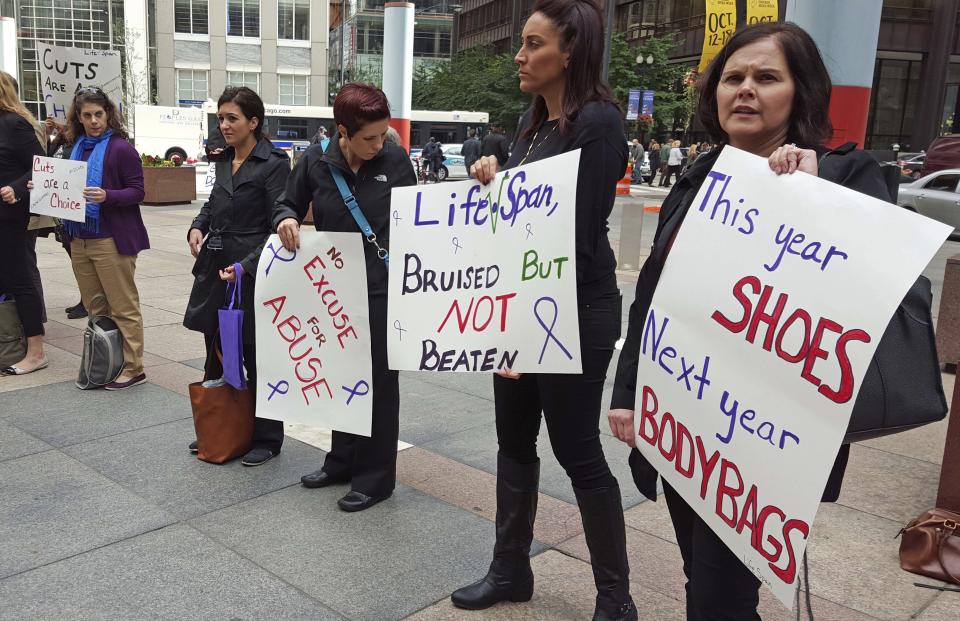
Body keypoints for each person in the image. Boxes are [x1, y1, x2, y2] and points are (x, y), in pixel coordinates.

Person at [608, 22, 891, 620]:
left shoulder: (845, 174)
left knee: (718, 597)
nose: (744, 90)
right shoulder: (700, 175)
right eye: (732, 77)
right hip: (686, 418)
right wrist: (629, 390)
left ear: (801, 92)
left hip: (766, 440)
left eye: (766, 78)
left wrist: (817, 200)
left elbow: (873, 299)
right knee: (705, 580)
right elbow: (653, 300)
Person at [452, 2, 636, 619]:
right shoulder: (531, 127)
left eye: (533, 44)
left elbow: (574, 236)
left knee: (578, 448)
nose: (520, 55)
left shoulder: (600, 122)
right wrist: (493, 175)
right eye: (521, 44)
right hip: (521, 311)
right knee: (514, 440)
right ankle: (510, 569)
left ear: (571, 50)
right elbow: (519, 224)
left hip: (573, 311)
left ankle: (616, 598)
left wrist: (526, 334)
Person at [273, 82, 417, 512]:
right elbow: (287, 202)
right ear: (342, 131)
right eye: (368, 137)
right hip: (331, 290)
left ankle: (375, 479)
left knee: (378, 385)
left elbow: (418, 218)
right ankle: (340, 461)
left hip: (380, 292)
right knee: (338, 377)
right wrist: (286, 220)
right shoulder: (316, 160)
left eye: (383, 134)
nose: (379, 144)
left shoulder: (395, 160)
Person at [183, 87, 290, 466]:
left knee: (254, 352)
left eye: (232, 118)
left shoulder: (274, 163)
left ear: (253, 122)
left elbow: (279, 221)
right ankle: (222, 421)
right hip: (216, 265)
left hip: (253, 269)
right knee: (216, 347)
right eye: (221, 118)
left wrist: (246, 265)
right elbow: (214, 203)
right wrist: (198, 225)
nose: (224, 125)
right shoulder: (224, 158)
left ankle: (266, 436)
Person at [62, 87, 149, 390]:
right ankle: (107, 362)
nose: (94, 120)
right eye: (87, 115)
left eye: (99, 114)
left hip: (111, 238)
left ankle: (134, 367)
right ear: (79, 117)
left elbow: (138, 191)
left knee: (123, 306)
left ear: (108, 114)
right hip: (79, 237)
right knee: (96, 307)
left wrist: (107, 195)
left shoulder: (120, 148)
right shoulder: (74, 146)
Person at [0, 70, 47, 375]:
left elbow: (42, 167)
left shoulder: (14, 124)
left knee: (20, 280)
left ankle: (36, 351)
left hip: (10, 217)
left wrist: (15, 188)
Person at [44, 115, 87, 319]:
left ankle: (88, 300)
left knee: (80, 258)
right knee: (74, 257)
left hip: (76, 209)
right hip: (62, 211)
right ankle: (85, 298)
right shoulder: (60, 142)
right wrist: (48, 135)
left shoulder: (80, 144)